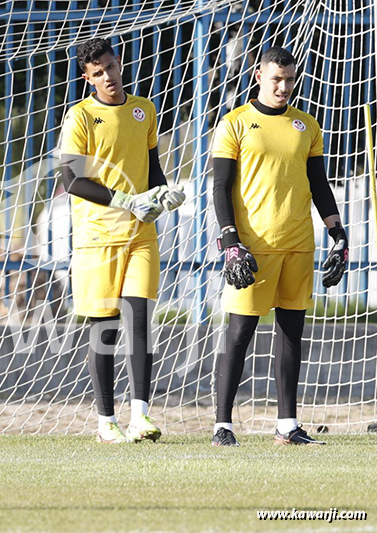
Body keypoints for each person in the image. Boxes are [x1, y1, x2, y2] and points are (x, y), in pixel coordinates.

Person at [212, 46, 348, 446]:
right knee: (239, 334)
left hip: (298, 244)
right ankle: (223, 425)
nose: (283, 86)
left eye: (289, 80)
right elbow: (220, 187)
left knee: (292, 334)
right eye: (276, 79)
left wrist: (338, 234)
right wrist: (230, 241)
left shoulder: (306, 125)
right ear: (258, 75)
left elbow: (319, 185)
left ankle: (287, 425)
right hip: (253, 247)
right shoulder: (235, 123)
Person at [60, 38, 185, 443]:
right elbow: (72, 180)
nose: (108, 77)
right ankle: (105, 423)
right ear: (87, 79)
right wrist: (126, 200)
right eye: (98, 73)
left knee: (140, 322)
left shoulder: (143, 110)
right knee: (105, 330)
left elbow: (153, 173)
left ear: (119, 64)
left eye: (111, 67)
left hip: (140, 236)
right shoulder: (79, 117)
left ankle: (141, 417)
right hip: (97, 238)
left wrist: (165, 196)